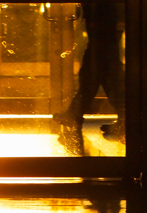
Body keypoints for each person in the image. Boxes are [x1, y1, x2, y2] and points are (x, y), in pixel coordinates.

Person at [54, 2, 125, 154]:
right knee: (103, 75)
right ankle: (125, 120)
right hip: (105, 33)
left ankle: (74, 115)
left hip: (102, 33)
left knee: (96, 74)